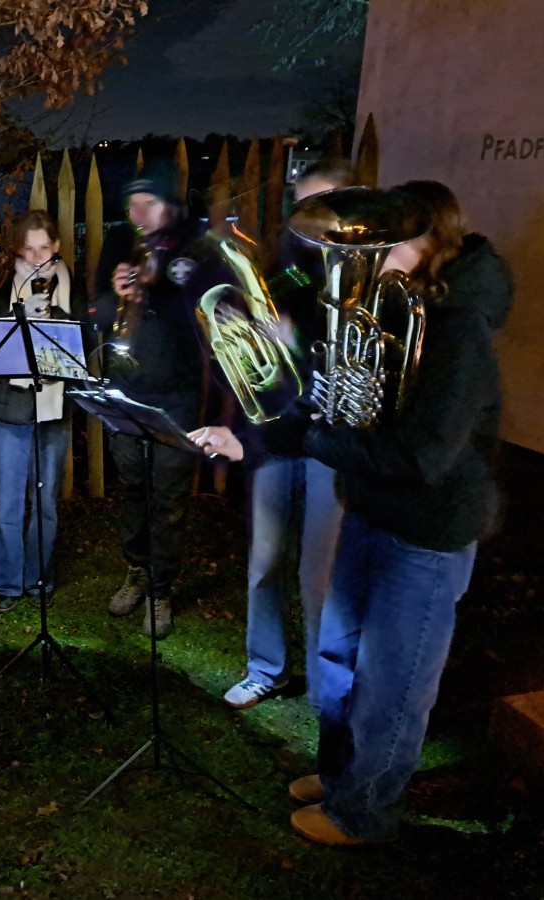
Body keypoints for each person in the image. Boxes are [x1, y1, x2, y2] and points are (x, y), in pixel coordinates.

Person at [225, 181, 514, 845]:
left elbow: (421, 455)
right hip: (371, 510)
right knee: (339, 656)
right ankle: (340, 779)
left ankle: (367, 812)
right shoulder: (387, 312)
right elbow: (356, 408)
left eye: (390, 246)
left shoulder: (457, 329)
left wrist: (313, 439)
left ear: (431, 244)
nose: (373, 262)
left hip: (426, 533)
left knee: (394, 682)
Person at [223, 158, 355, 711]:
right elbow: (271, 329)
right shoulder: (291, 262)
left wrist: (292, 336)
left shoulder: (367, 269)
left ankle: (327, 686)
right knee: (265, 561)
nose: (310, 218)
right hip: (279, 435)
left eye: (321, 203)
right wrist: (253, 326)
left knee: (320, 574)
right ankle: (267, 669)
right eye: (303, 206)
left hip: (328, 440)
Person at [88, 162, 228, 638]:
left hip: (178, 394)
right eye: (133, 203)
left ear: (170, 206)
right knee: (131, 485)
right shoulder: (116, 245)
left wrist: (155, 286)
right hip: (124, 389)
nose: (139, 212)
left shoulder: (195, 249)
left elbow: (203, 315)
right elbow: (99, 314)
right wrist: (114, 293)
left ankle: (162, 588)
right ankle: (136, 569)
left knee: (168, 497)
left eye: (150, 202)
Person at [0, 210, 77, 613]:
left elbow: (81, 346)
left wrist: (55, 317)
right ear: (17, 252)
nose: (38, 256)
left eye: (45, 247)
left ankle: (39, 578)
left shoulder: (73, 290)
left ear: (56, 247)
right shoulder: (1, 291)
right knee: (8, 502)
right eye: (29, 249)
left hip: (53, 409)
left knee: (46, 503)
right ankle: (7, 583)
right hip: (10, 408)